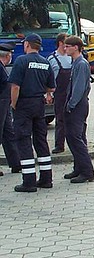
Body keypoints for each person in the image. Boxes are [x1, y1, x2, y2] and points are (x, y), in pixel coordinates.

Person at [9, 33, 56, 192]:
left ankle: (28, 181)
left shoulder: (21, 61)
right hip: (39, 104)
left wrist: (13, 104)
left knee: (23, 140)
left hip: (24, 104)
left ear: (27, 45)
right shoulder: (45, 62)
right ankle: (46, 178)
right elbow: (51, 87)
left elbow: (15, 87)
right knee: (41, 140)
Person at [62, 36, 94, 183]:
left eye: (68, 46)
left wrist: (71, 105)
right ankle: (79, 168)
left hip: (77, 105)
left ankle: (87, 172)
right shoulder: (76, 62)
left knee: (76, 138)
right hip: (77, 104)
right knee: (75, 137)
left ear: (76, 47)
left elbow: (79, 88)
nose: (65, 48)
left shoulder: (81, 64)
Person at [48, 33, 72, 154]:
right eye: (67, 43)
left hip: (71, 94)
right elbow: (48, 79)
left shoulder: (72, 58)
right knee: (60, 120)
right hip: (59, 94)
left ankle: (77, 143)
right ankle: (59, 145)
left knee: (75, 121)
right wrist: (48, 94)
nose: (69, 46)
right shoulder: (52, 59)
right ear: (60, 43)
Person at [0, 43, 21, 174]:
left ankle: (16, 163)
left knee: (8, 133)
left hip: (4, 103)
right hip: (1, 102)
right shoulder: (1, 68)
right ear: (8, 56)